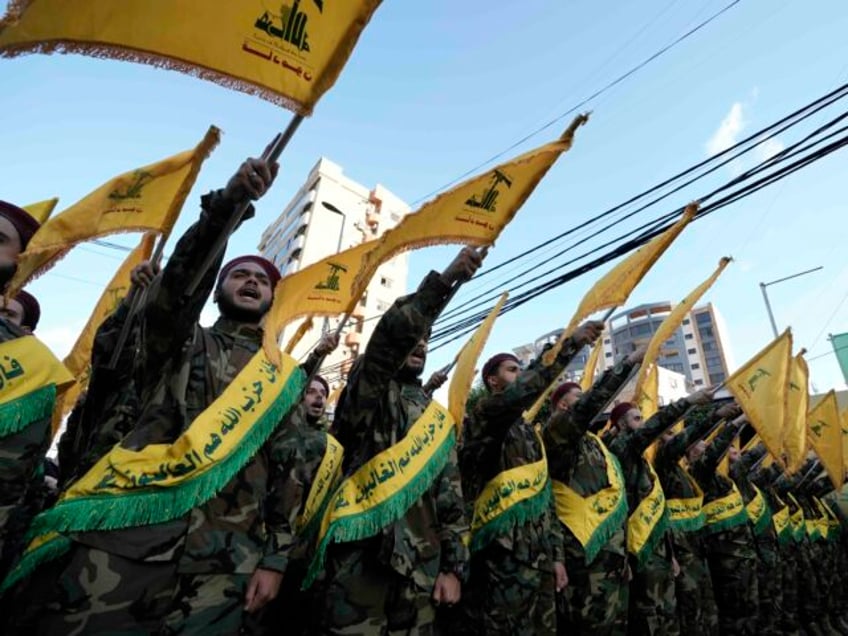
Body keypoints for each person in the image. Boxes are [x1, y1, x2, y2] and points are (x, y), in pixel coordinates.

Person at [7, 155, 336, 634]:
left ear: (271, 301)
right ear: (219, 287)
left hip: (224, 565)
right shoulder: (180, 341)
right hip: (129, 538)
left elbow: (290, 476)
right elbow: (179, 287)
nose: (252, 282)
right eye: (240, 275)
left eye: (263, 280)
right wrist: (227, 209)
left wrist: (274, 560)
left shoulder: (282, 380)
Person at [319, 247, 481, 634]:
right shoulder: (371, 389)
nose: (421, 344)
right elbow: (389, 340)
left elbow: (450, 500)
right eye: (416, 336)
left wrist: (453, 568)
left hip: (421, 569)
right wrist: (444, 282)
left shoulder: (436, 420)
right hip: (359, 558)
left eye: (427, 339)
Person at [459, 320, 604, 636]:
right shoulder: (485, 417)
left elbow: (544, 498)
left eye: (520, 368)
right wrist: (570, 345)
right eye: (512, 370)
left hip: (539, 559)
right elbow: (526, 388)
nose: (520, 374)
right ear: (493, 381)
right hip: (501, 558)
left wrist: (555, 557)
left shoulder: (529, 432)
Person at [542, 345, 645, 636]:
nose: (587, 402)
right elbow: (589, 406)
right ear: (563, 406)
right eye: (579, 398)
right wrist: (627, 365)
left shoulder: (595, 443)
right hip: (583, 555)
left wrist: (621, 554)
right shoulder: (557, 433)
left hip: (611, 554)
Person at [606, 390, 712, 636]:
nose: (642, 423)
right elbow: (649, 431)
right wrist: (685, 403)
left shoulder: (642, 462)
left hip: (660, 551)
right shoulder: (621, 449)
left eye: (642, 417)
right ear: (621, 425)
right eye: (636, 419)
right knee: (649, 617)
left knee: (669, 615)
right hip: (639, 551)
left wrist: (670, 555)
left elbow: (658, 514)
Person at [654, 403, 738, 636]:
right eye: (670, 433)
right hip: (681, 550)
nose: (675, 436)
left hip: (696, 547)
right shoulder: (663, 463)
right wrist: (717, 417)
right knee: (692, 611)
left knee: (708, 608)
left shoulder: (680, 472)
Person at [690, 415, 758, 636]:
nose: (707, 447)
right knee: (733, 614)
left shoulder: (721, 478)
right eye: (702, 445)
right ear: (691, 454)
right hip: (726, 557)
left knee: (750, 608)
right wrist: (736, 423)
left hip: (743, 553)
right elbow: (713, 454)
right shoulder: (699, 474)